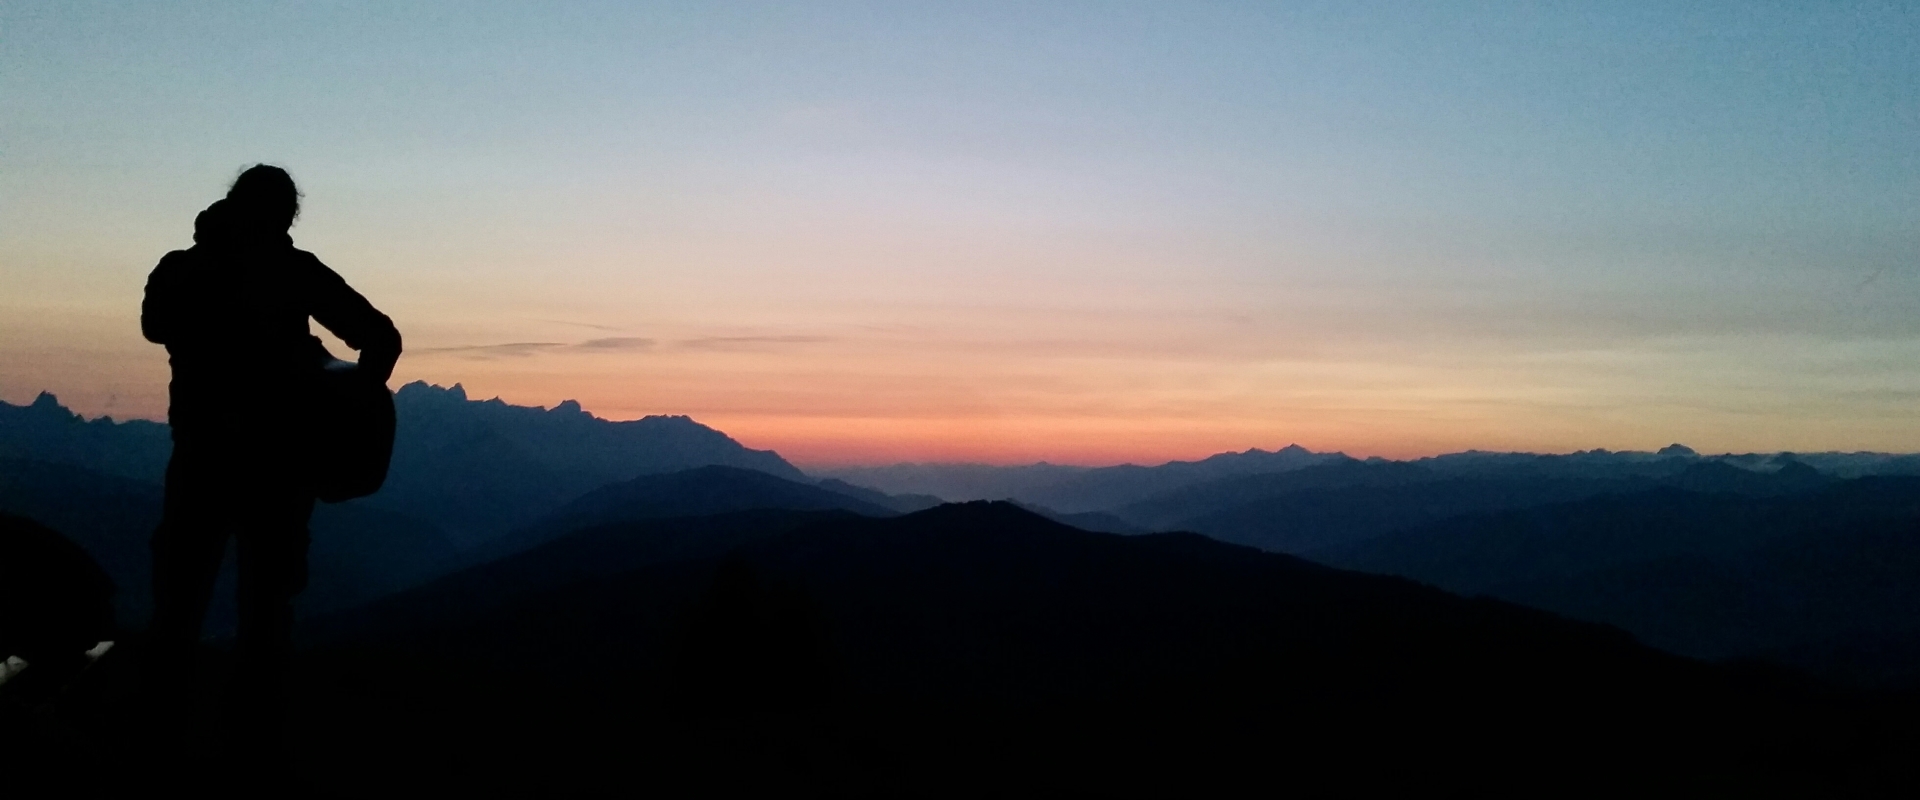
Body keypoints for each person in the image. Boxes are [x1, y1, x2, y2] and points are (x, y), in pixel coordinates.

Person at [140, 165, 401, 761]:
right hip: (278, 469)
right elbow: (380, 336)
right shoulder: (292, 272)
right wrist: (353, 400)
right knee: (264, 609)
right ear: (282, 215)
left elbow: (155, 326)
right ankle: (250, 750)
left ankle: (161, 742)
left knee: (182, 603)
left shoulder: (182, 267)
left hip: (205, 460)